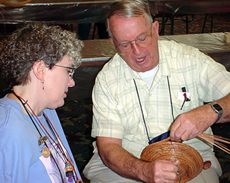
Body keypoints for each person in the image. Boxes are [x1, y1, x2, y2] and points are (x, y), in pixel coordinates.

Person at [83, 0, 230, 183]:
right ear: (113, 42)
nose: (137, 52)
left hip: (192, 156)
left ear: (155, 29)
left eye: (142, 38)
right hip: (128, 160)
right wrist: (143, 170)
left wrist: (211, 112)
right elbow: (108, 147)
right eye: (125, 44)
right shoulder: (107, 79)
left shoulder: (189, 59)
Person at [0, 24, 84, 183]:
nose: (71, 82)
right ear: (40, 70)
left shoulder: (46, 110)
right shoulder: (8, 131)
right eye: (69, 71)